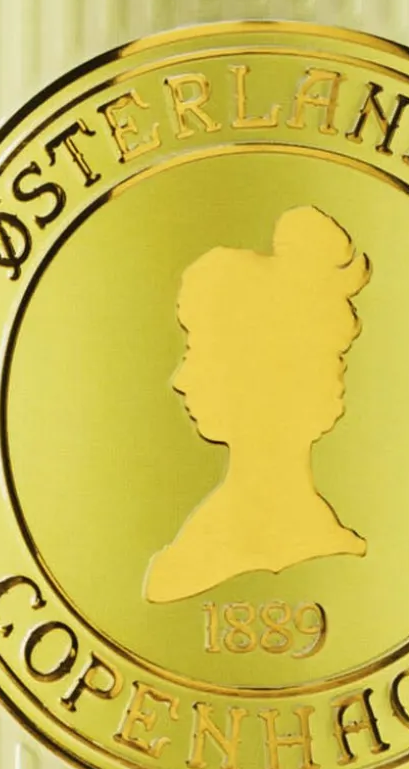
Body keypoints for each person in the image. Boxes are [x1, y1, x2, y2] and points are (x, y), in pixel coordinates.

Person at [146, 205, 371, 604]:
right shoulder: (202, 543)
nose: (181, 379)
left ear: (262, 371)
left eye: (199, 352)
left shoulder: (313, 549)